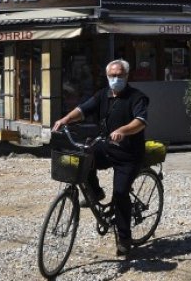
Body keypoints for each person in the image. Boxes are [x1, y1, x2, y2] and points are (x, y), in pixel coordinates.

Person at [52, 59, 149, 258]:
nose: (116, 78)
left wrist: (123, 130)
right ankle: (96, 193)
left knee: (121, 192)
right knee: (83, 157)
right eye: (112, 75)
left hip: (129, 154)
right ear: (107, 76)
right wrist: (65, 120)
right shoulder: (102, 95)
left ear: (127, 76)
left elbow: (140, 122)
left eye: (120, 75)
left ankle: (124, 239)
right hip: (107, 147)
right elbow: (82, 109)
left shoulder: (137, 97)